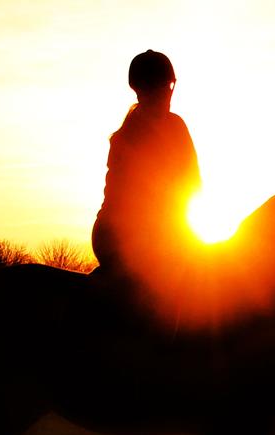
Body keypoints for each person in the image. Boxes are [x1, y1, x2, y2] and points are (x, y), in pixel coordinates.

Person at [91, 50, 201, 281]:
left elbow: (194, 184)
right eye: (162, 87)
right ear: (142, 90)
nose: (167, 94)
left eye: (169, 86)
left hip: (162, 234)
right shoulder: (129, 136)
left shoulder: (177, 126)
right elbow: (140, 199)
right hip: (120, 236)